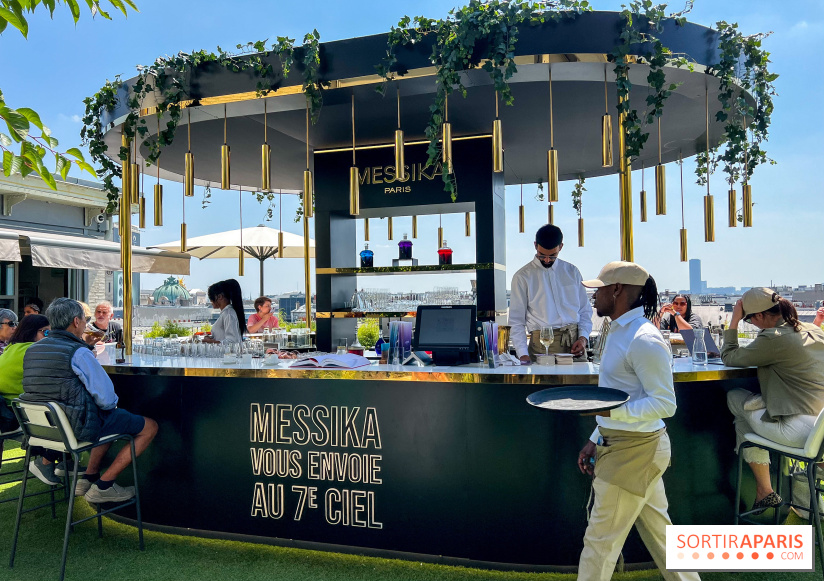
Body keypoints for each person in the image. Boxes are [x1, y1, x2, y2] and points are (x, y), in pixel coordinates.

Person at [576, 261, 699, 581]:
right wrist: (596, 435)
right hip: (629, 447)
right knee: (663, 538)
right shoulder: (620, 331)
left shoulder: (643, 338)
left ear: (617, 290)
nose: (594, 295)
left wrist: (608, 416)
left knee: (598, 545)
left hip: (634, 453)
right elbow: (620, 394)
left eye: (599, 288)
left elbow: (664, 403)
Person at [21, 298, 158, 501]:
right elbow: (106, 398)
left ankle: (90, 476)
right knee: (149, 426)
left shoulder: (32, 350)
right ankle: (104, 486)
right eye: (85, 320)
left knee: (107, 419)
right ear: (76, 322)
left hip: (45, 431)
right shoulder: (78, 353)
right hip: (76, 427)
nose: (87, 324)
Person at [722, 288, 824, 513]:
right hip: (820, 430)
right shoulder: (812, 330)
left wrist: (734, 321)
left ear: (758, 316)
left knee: (735, 397)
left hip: (797, 433)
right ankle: (766, 492)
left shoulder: (773, 338)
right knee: (746, 421)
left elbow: (729, 356)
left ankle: (765, 490)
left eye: (750, 319)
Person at [508, 224, 592, 364]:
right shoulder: (522, 276)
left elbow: (585, 310)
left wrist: (583, 338)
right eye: (542, 255)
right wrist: (522, 354)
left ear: (561, 247)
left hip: (575, 344)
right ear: (535, 246)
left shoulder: (572, 272)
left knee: (579, 385)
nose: (547, 260)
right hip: (541, 346)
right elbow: (516, 320)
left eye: (552, 256)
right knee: (544, 386)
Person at [0, 314, 62, 484]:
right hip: (20, 419)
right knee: (73, 410)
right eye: (47, 333)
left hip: (8, 413)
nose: (50, 338)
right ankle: (49, 460)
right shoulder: (33, 351)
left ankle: (63, 460)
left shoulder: (10, 349)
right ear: (33, 332)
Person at [204, 279, 246, 344]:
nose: (211, 302)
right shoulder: (227, 313)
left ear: (220, 296)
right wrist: (212, 339)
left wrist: (211, 341)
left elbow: (232, 341)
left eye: (211, 298)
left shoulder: (228, 314)